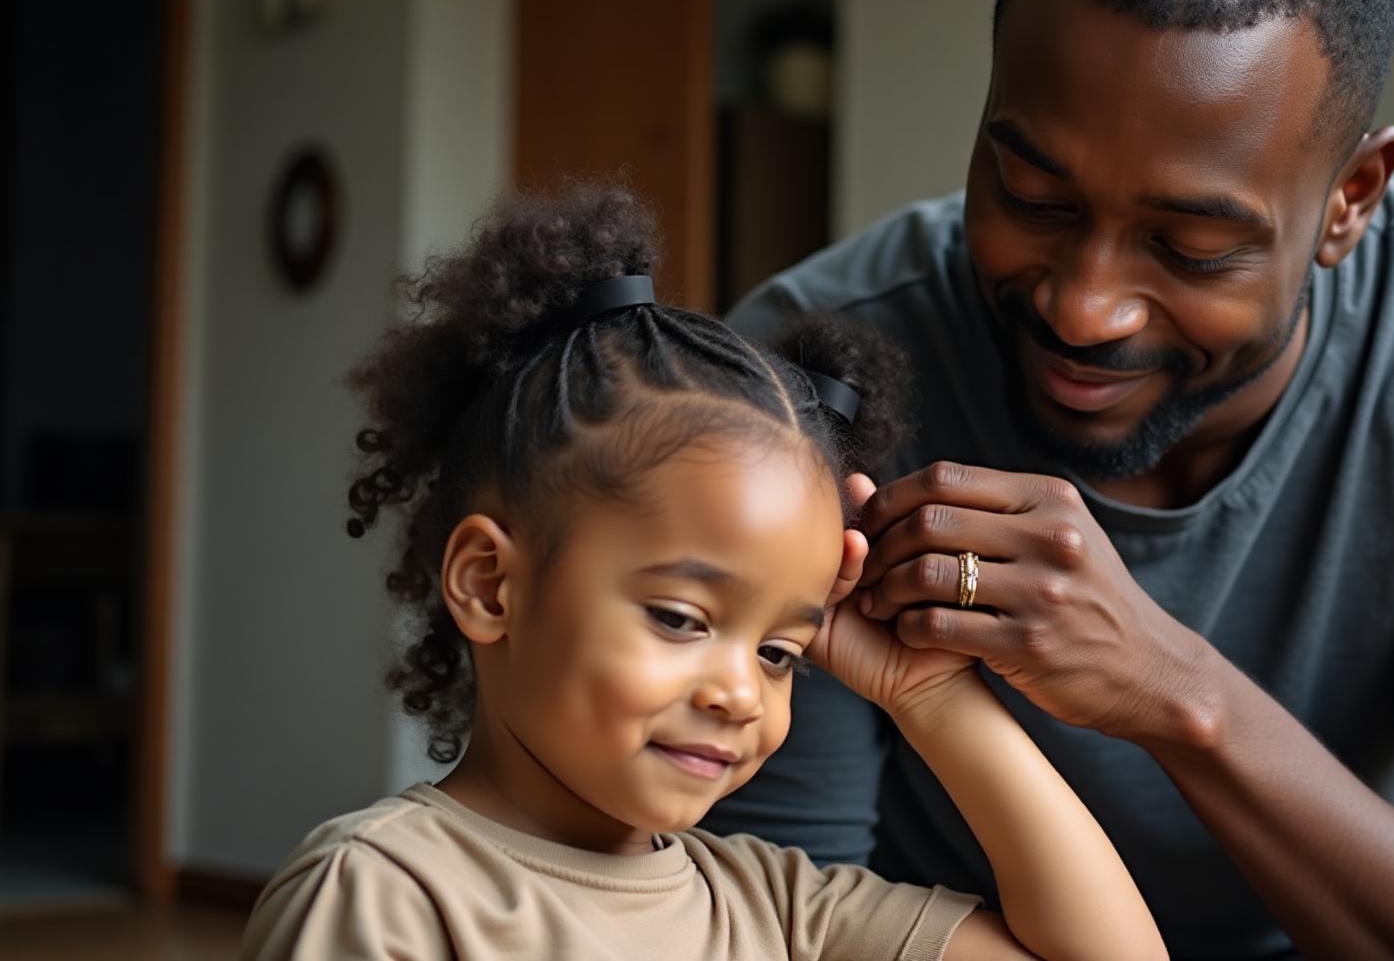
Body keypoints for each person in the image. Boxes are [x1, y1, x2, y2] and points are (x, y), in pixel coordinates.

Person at [707, 0, 1394, 958]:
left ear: (1352, 197)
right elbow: (782, 915)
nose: (1082, 306)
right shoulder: (814, 368)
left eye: (1192, 247)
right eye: (1033, 195)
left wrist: (1170, 689)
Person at [239, 186, 1166, 961]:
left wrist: (926, 695)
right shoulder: (386, 892)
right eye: (682, 618)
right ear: (490, 585)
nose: (739, 693)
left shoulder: (778, 910)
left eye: (778, 652)